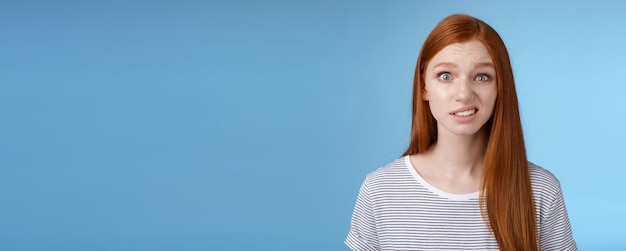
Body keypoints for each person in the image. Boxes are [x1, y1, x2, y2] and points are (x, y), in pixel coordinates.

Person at [345, 14, 577, 251]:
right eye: (445, 76)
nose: (464, 94)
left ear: (500, 88)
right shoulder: (379, 190)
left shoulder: (540, 190)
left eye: (482, 77)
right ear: (424, 86)